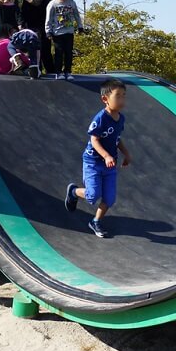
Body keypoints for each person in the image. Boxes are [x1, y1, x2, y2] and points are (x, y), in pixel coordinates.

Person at [64, 78, 132, 238]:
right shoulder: (101, 118)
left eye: (124, 95)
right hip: (93, 162)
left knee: (109, 199)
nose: (122, 99)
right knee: (92, 196)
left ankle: (95, 221)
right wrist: (106, 155)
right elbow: (94, 140)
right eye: (118, 96)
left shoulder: (121, 118)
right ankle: (73, 192)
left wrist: (126, 153)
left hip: (110, 165)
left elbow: (117, 138)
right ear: (105, 99)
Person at [45, 0, 83, 80]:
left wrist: (80, 26)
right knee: (59, 53)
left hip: (69, 32)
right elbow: (48, 19)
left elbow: (77, 15)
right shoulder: (53, 4)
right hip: (57, 33)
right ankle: (58, 72)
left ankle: (68, 71)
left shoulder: (72, 3)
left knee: (69, 53)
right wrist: (48, 31)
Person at [21, 0, 54, 77]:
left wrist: (22, 25)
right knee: (45, 51)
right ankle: (50, 71)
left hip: (31, 27)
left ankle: (36, 70)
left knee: (34, 51)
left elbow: (23, 13)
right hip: (43, 26)